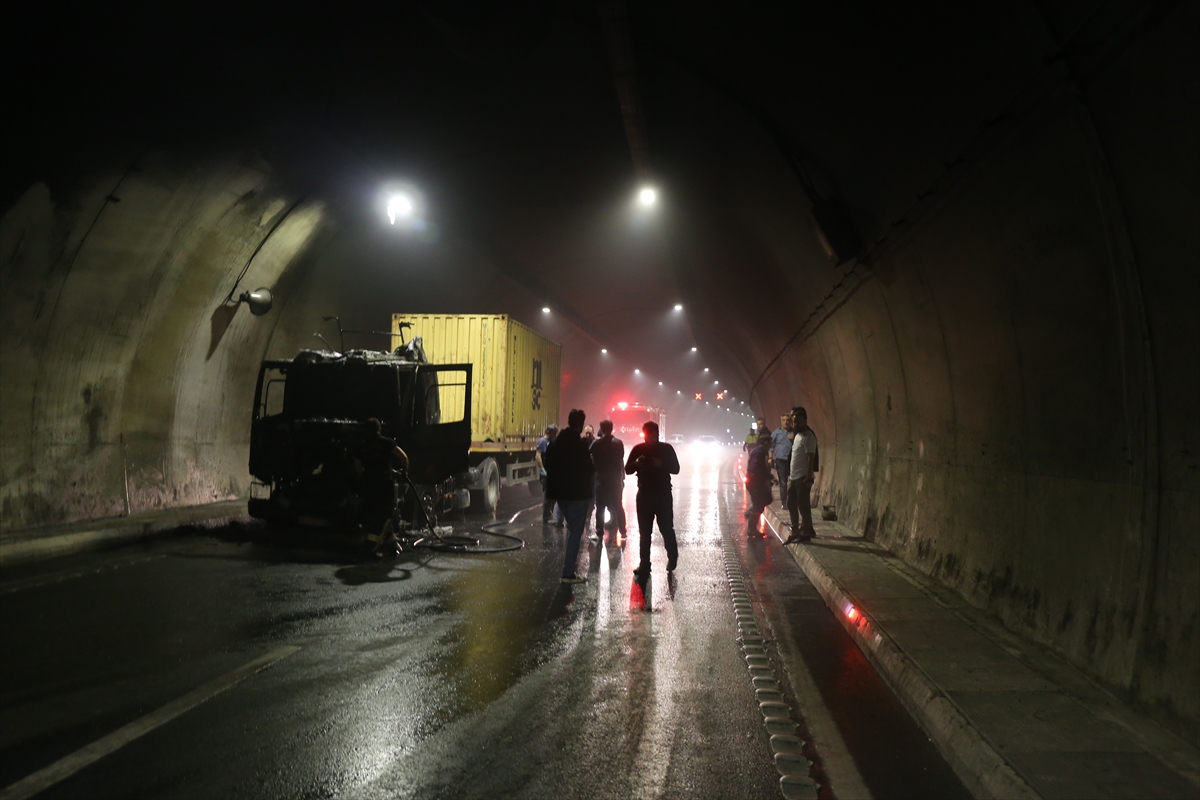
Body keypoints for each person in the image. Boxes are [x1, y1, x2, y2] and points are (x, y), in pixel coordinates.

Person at [544, 409, 595, 583]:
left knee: (571, 529)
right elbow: (589, 469)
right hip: (577, 494)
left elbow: (547, 462)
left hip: (560, 495)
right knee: (575, 532)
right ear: (581, 425)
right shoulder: (580, 444)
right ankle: (568, 573)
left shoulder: (557, 441)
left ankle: (568, 567)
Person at [625, 420, 681, 577]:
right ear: (644, 435)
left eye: (654, 435)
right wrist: (637, 463)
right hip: (644, 495)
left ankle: (672, 556)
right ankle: (644, 564)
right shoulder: (638, 449)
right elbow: (628, 469)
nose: (651, 438)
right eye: (648, 435)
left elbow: (676, 469)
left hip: (663, 495)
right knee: (644, 532)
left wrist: (661, 464)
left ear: (658, 434)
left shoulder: (666, 449)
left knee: (666, 528)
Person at [785, 406, 818, 544]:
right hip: (793, 476)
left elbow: (811, 458)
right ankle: (795, 530)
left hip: (802, 477)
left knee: (803, 505)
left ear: (805, 421)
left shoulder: (808, 437)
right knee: (791, 503)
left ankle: (806, 532)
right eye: (794, 421)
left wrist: (809, 477)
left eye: (798, 421)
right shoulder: (797, 435)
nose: (795, 424)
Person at [590, 419, 627, 541]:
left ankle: (599, 532)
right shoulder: (618, 443)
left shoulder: (596, 444)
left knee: (600, 507)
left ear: (601, 428)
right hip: (615, 479)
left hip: (601, 479)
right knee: (618, 505)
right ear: (612, 428)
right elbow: (620, 458)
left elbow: (589, 457)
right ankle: (623, 532)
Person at [744, 433, 774, 538]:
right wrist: (765, 478)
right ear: (766, 443)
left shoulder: (759, 451)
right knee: (758, 505)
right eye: (770, 443)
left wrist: (768, 477)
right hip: (755, 483)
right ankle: (751, 528)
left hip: (755, 482)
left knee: (766, 500)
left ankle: (752, 517)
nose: (771, 445)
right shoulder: (759, 452)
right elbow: (756, 468)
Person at [535, 424, 561, 525]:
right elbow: (538, 456)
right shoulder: (542, 442)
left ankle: (549, 514)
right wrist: (542, 469)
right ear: (549, 432)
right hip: (546, 473)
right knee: (548, 496)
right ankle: (546, 517)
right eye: (554, 433)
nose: (555, 435)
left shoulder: (551, 442)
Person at [771, 413, 793, 501]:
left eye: (787, 420)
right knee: (783, 483)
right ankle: (784, 502)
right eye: (784, 420)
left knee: (793, 482)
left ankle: (792, 500)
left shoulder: (794, 432)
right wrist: (770, 458)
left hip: (792, 460)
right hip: (781, 460)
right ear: (781, 421)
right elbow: (771, 446)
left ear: (790, 421)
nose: (786, 422)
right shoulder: (776, 433)